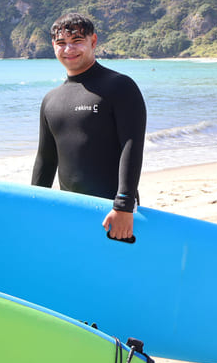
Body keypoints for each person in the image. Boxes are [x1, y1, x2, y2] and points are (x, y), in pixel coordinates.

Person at [31, 13, 147, 241]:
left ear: (93, 42)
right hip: (71, 210)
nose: (69, 49)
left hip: (112, 211)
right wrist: (34, 204)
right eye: (62, 43)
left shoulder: (119, 86)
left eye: (77, 41)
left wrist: (124, 205)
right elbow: (45, 159)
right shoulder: (51, 100)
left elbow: (131, 146)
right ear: (53, 46)